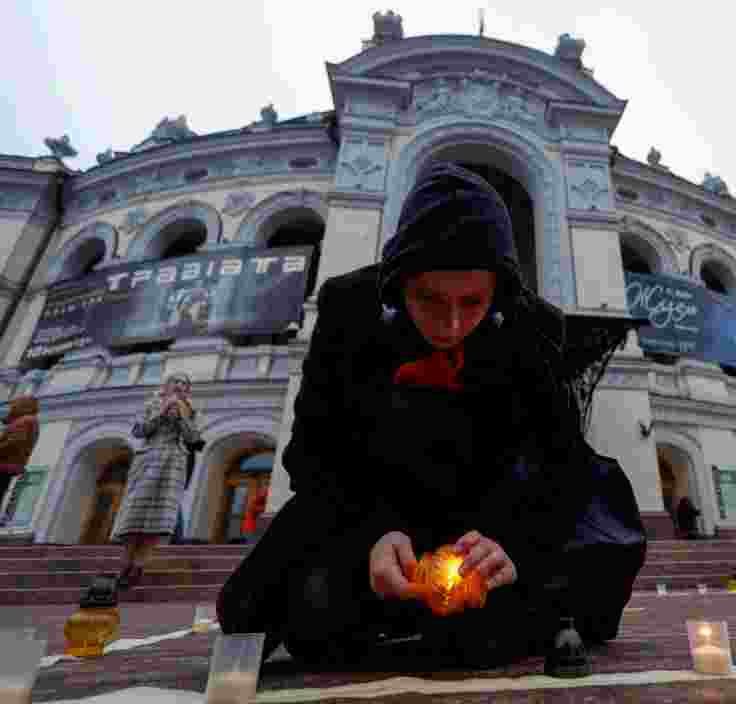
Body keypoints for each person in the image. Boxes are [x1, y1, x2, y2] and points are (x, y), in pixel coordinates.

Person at [216, 162, 643, 668]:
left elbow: (560, 462)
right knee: (251, 612)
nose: (454, 323)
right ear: (398, 285)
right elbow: (313, 455)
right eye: (430, 299)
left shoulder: (534, 327)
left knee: (557, 573)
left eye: (473, 301)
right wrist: (370, 535)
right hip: (376, 507)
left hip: (485, 516)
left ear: (498, 293)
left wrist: (511, 546)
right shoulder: (347, 309)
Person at [111, 372, 203, 588]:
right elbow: (138, 431)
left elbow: (193, 438)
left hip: (173, 464)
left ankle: (138, 568)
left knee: (157, 522)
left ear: (188, 390)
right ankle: (125, 565)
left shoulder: (191, 410)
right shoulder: (151, 403)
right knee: (135, 517)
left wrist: (181, 417)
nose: (180, 386)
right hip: (148, 460)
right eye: (176, 382)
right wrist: (161, 413)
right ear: (167, 385)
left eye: (184, 384)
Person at [0, 396, 40, 518]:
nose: (12, 406)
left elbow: (14, 443)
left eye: (15, 404)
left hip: (4, 464)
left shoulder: (26, 420)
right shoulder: (26, 420)